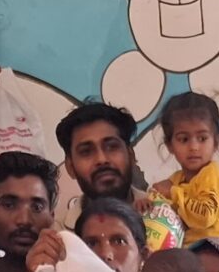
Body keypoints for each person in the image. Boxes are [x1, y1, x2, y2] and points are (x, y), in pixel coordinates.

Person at [56, 100, 184, 253]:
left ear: (131, 155)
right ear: (70, 167)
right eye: (86, 152)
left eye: (112, 147)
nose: (101, 159)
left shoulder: (170, 216)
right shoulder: (58, 239)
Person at [152, 91, 219, 244]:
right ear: (170, 145)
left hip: (211, 250)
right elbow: (161, 206)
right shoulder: (176, 179)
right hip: (185, 252)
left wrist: (172, 193)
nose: (194, 147)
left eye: (202, 138)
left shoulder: (212, 175)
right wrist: (146, 203)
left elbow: (205, 217)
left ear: (215, 142)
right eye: (184, 139)